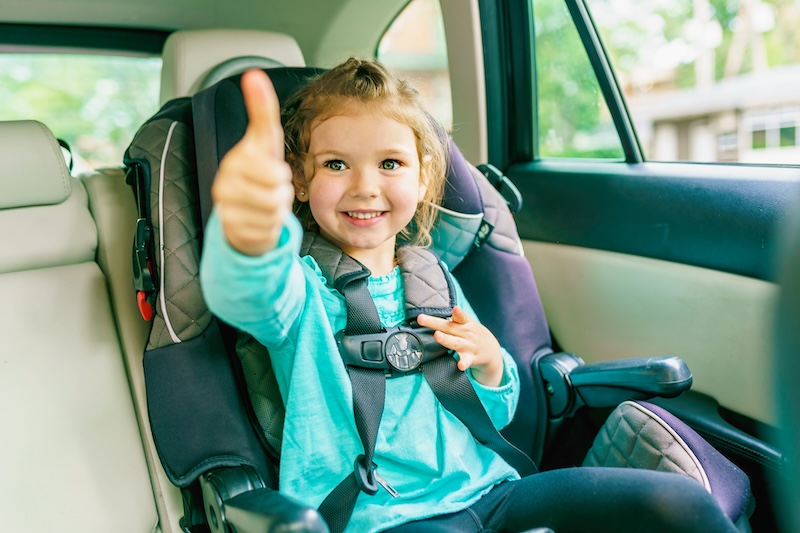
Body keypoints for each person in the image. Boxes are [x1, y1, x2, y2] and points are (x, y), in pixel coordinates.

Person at [200, 58, 739, 533]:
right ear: (299, 180)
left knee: (676, 503)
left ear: (422, 175)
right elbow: (248, 291)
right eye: (336, 164)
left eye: (390, 163)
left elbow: (497, 411)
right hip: (379, 516)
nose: (364, 185)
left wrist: (488, 365)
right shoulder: (301, 293)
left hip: (494, 494)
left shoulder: (433, 277)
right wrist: (250, 232)